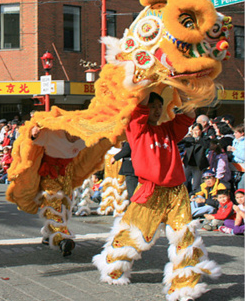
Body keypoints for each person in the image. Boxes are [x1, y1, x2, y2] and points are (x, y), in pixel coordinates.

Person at [93, 91, 220, 301]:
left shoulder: (168, 130)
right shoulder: (137, 129)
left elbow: (188, 114)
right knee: (132, 234)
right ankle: (114, 269)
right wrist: (146, 80)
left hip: (177, 192)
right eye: (153, 106)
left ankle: (184, 287)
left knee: (185, 237)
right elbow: (139, 106)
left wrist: (192, 89)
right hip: (150, 192)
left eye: (160, 106)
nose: (157, 110)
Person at [30, 124, 86, 256]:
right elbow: (33, 140)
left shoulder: (84, 138)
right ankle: (61, 239)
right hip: (50, 171)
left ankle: (49, 234)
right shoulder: (52, 133)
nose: (74, 136)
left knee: (65, 205)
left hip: (67, 172)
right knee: (52, 201)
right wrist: (33, 133)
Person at [181, 123, 210, 194]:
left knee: (196, 184)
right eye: (193, 130)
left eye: (197, 130)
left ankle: (194, 197)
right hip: (188, 163)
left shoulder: (205, 139)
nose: (195, 132)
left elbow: (207, 145)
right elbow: (180, 143)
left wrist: (197, 139)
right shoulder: (189, 139)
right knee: (183, 182)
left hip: (198, 165)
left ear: (201, 130)